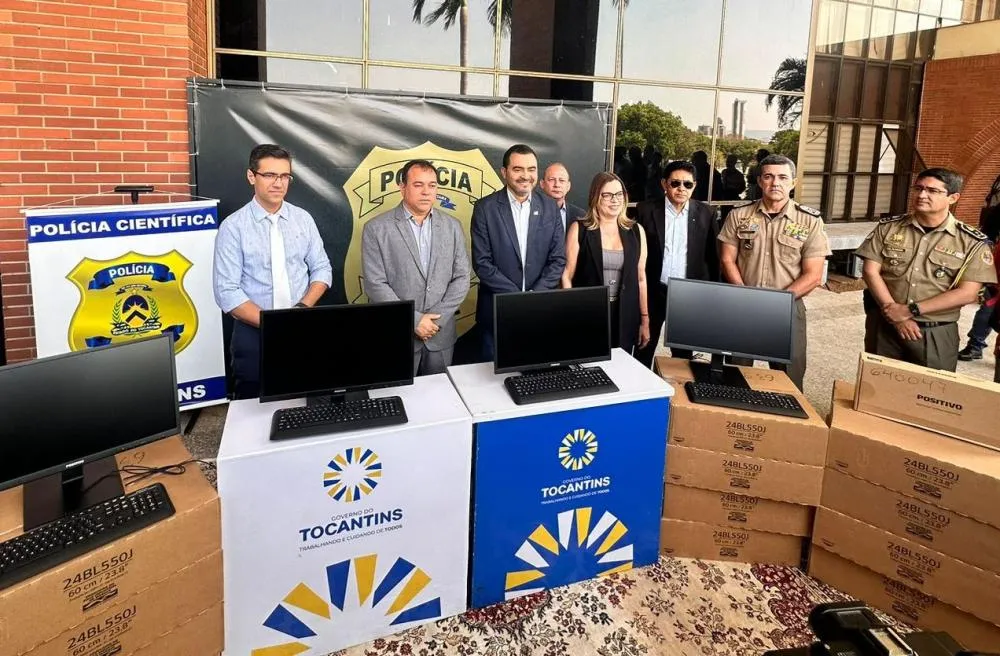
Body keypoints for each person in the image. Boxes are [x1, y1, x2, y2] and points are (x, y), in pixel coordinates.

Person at [213, 143, 332, 399]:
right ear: (251, 176)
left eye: (284, 176)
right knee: (252, 411)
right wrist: (275, 325)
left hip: (302, 326)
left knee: (308, 401)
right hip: (254, 334)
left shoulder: (303, 219)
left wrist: (301, 309)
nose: (278, 183)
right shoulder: (233, 227)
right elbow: (227, 291)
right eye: (269, 175)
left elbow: (322, 268)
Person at [855, 168, 996, 372]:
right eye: (918, 188)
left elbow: (967, 293)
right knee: (875, 391)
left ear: (953, 198)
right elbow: (870, 271)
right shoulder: (888, 228)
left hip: (935, 330)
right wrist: (894, 312)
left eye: (932, 191)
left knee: (931, 395)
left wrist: (909, 311)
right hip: (885, 324)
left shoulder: (971, 242)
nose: (922, 195)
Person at [718, 154, 831, 390]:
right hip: (744, 305)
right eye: (768, 177)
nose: (775, 183)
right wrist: (743, 294)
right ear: (759, 181)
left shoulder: (809, 221)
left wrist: (778, 302)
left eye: (782, 177)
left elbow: (813, 275)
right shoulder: (739, 215)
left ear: (793, 183)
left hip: (788, 306)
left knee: (789, 379)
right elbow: (727, 259)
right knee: (737, 374)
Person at [361, 159, 471, 376]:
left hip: (440, 336)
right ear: (402, 187)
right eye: (418, 185)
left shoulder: (452, 226)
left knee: (440, 402)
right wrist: (414, 319)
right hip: (398, 336)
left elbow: (462, 277)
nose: (426, 192)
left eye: (432, 185)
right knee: (397, 400)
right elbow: (375, 284)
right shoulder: (376, 228)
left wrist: (434, 320)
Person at [471, 144, 565, 360]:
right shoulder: (485, 208)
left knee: (534, 382)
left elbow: (558, 260)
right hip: (496, 314)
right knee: (491, 386)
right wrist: (516, 299)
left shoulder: (550, 207)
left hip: (538, 312)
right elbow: (482, 263)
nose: (526, 176)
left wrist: (533, 297)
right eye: (518, 169)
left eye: (531, 169)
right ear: (504, 172)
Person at [634, 160, 720, 368]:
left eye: (687, 184)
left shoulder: (706, 214)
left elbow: (713, 257)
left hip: (687, 294)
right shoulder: (645, 210)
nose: (681, 188)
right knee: (643, 347)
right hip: (655, 291)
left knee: (682, 357)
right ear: (664, 184)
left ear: (695, 186)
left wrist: (710, 295)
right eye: (675, 183)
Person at [562, 172, 650, 355]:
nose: (614, 200)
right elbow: (567, 276)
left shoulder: (636, 231)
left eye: (619, 194)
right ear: (596, 197)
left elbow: (641, 278)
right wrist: (570, 315)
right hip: (587, 315)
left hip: (625, 315)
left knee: (621, 372)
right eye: (607, 195)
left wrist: (645, 319)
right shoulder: (579, 229)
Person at [957, 189, 1000, 360]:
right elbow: (986, 238)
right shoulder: (998, 211)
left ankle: (975, 345)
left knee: (987, 310)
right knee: (988, 309)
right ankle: (975, 345)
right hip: (996, 275)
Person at [540, 162, 586, 232]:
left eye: (561, 180)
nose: (557, 185)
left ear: (568, 186)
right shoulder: (531, 211)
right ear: (542, 184)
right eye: (552, 179)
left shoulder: (580, 216)